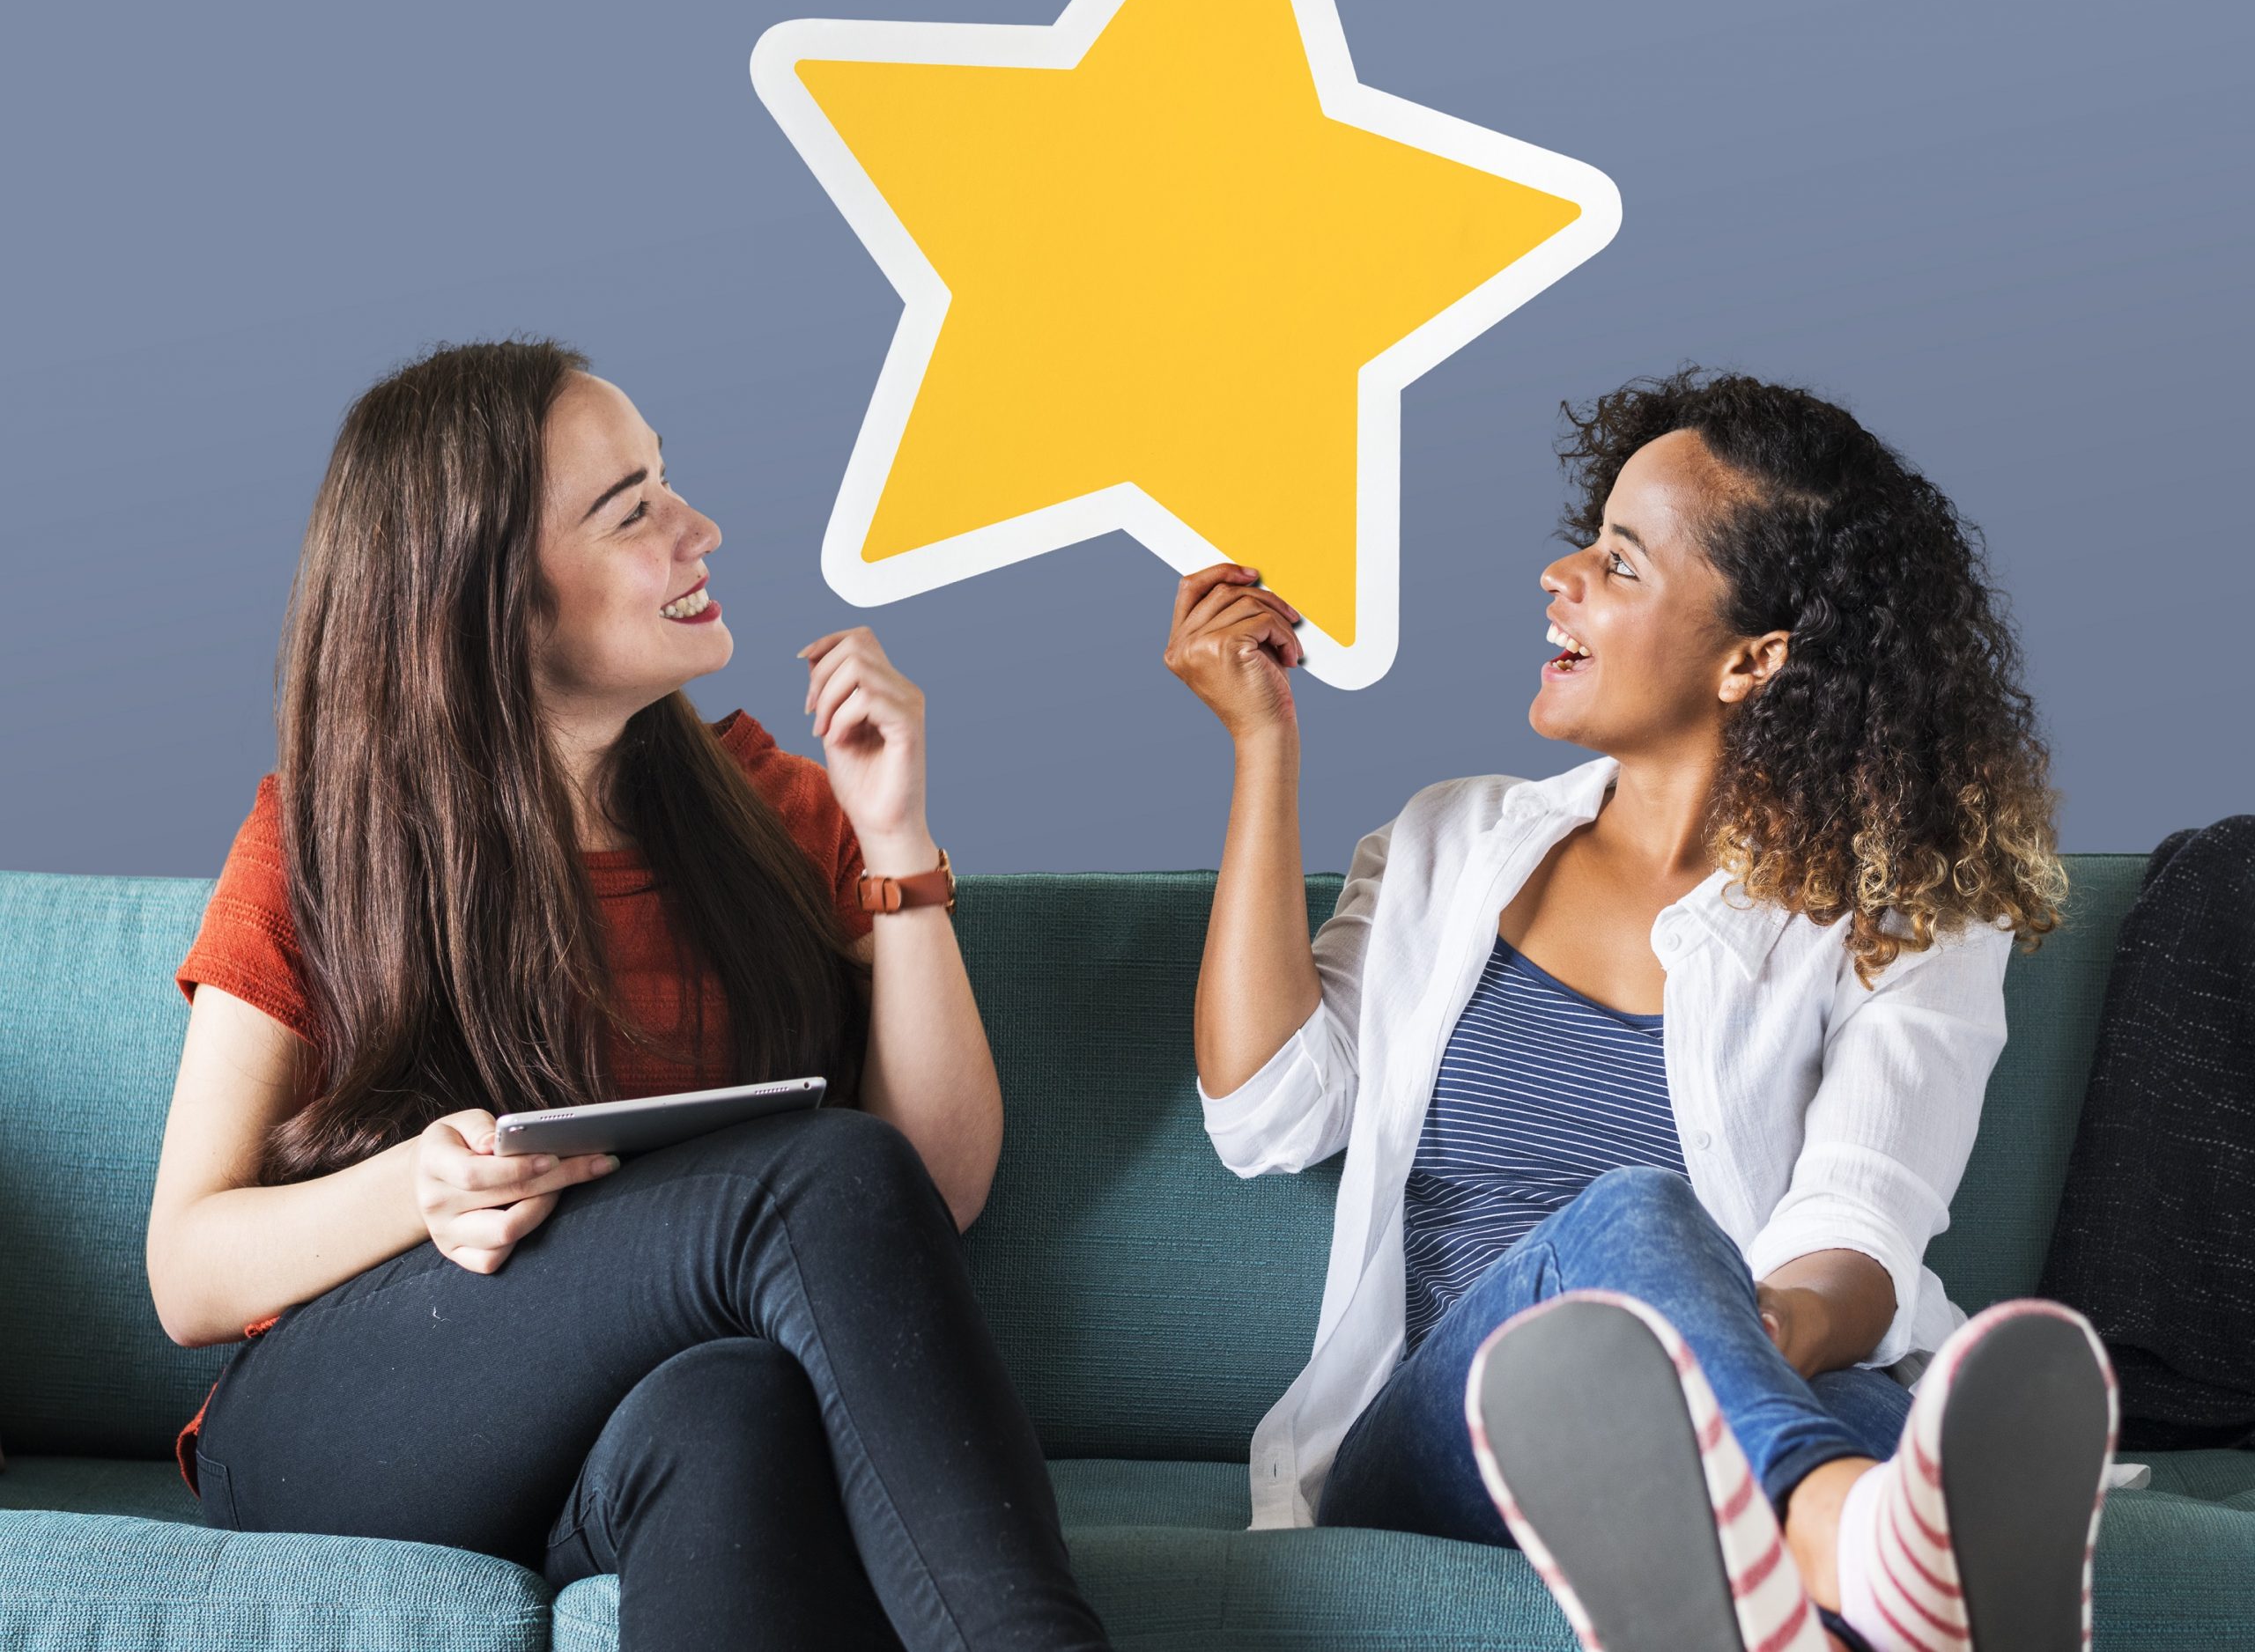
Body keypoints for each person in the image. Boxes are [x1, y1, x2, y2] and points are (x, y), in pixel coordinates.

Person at [146, 339, 1113, 1652]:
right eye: (634, 508)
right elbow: (188, 1274)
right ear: (492, 601)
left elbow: (931, 1194)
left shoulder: (781, 812)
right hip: (356, 1420)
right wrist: (417, 1187)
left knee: (737, 1407)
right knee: (817, 1174)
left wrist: (898, 842)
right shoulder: (324, 842)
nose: (700, 530)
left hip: (624, 1438)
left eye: (669, 483)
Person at [1163, 368, 2116, 1652]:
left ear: (1752, 660)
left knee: (1891, 1469)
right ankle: (1844, 1535)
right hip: (1455, 1430)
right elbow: (1266, 1114)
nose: (1558, 576)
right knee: (1631, 1222)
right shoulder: (1450, 845)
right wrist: (1262, 746)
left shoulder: (1910, 912)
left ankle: (1849, 1565)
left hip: (1753, 1391)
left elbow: (1860, 1223)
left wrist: (1718, 1336)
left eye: (1617, 564)